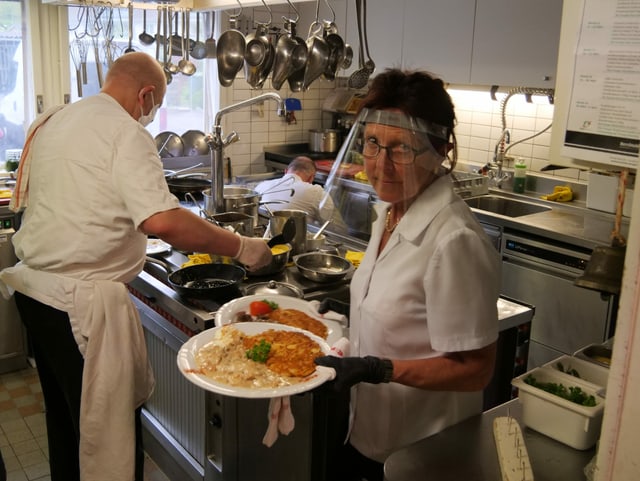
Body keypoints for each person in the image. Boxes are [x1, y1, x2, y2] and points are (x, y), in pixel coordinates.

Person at [0, 52, 271, 481]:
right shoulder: (125, 132)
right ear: (146, 95)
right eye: (156, 104)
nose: (151, 115)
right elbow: (162, 221)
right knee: (107, 441)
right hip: (79, 306)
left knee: (68, 427)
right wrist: (242, 246)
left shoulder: (56, 120)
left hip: (35, 295)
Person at [314, 68, 501, 481]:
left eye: (401, 149)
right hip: (368, 435)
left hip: (419, 454)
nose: (381, 165)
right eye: (373, 144)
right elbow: (405, 314)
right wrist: (352, 309)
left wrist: (380, 369)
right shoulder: (391, 212)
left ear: (440, 152)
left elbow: (476, 368)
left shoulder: (454, 240)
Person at [254, 156, 346, 233]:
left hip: (262, 235)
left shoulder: (262, 185)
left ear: (286, 171)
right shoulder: (317, 192)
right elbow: (337, 230)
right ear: (311, 178)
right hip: (294, 242)